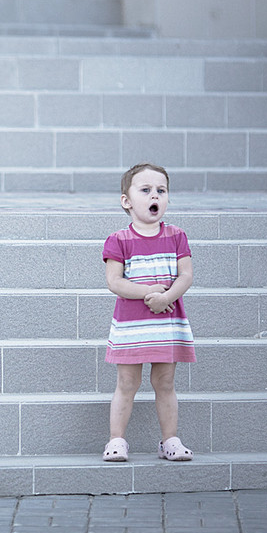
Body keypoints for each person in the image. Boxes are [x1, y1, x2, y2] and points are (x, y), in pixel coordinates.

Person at [101, 163, 195, 462]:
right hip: (132, 325)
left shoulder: (177, 235)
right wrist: (151, 292)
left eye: (161, 190)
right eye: (145, 190)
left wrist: (166, 297)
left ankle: (170, 440)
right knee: (127, 383)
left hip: (166, 322)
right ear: (126, 200)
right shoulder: (119, 240)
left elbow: (186, 276)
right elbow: (114, 282)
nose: (155, 195)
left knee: (165, 383)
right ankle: (117, 440)